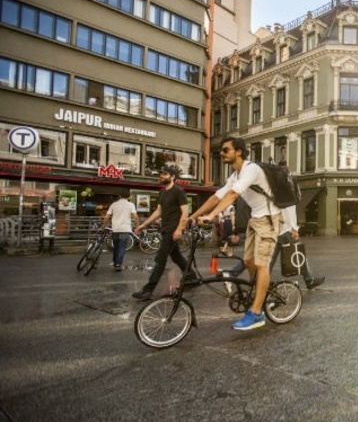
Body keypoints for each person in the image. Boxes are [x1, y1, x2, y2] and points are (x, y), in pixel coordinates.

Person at [189, 137, 282, 330]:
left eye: (225, 150)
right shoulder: (235, 175)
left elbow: (233, 195)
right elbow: (217, 196)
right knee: (248, 261)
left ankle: (257, 313)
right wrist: (193, 216)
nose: (222, 153)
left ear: (238, 151)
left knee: (261, 264)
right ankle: (260, 293)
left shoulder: (251, 169)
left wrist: (212, 216)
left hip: (269, 219)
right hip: (255, 219)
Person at [132, 166, 191, 299]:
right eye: (160, 174)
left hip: (172, 229)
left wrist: (179, 229)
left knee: (160, 258)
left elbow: (185, 212)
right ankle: (191, 276)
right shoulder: (162, 192)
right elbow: (159, 211)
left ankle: (148, 290)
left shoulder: (178, 191)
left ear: (173, 177)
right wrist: (143, 224)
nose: (161, 176)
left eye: (165, 174)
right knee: (176, 256)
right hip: (165, 228)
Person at [270, 203, 325, 290]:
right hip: (287, 230)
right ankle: (310, 280)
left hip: (277, 229)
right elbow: (288, 211)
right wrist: (294, 229)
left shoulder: (278, 192)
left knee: (270, 259)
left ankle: (261, 280)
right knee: (300, 255)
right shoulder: (288, 192)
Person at [102, 192, 139, 271]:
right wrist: (138, 226)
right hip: (125, 229)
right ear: (128, 197)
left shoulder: (114, 204)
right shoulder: (131, 205)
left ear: (119, 196)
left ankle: (116, 261)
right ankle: (118, 264)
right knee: (122, 247)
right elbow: (135, 216)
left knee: (116, 246)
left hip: (115, 229)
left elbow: (107, 216)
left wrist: (104, 226)